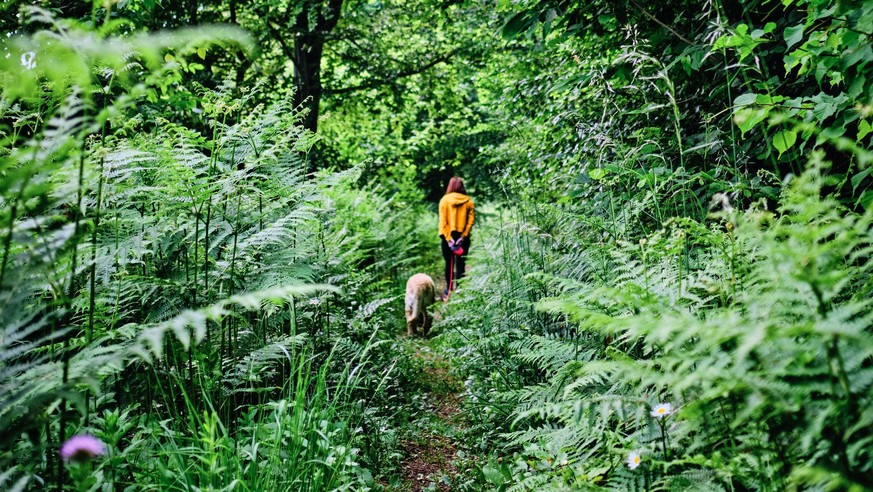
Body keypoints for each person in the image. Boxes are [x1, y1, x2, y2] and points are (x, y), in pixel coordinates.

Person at [439, 176, 474, 295]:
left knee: (448, 263)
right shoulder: (468, 201)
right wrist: (463, 236)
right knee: (461, 264)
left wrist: (449, 239)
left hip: (447, 237)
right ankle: (460, 290)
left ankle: (448, 290)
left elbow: (443, 221)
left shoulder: (444, 200)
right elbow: (471, 221)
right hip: (462, 238)